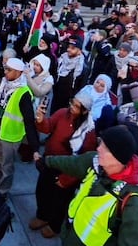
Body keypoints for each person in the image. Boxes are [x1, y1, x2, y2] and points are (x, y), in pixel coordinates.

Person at [32, 90, 97, 238]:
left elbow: (83, 161)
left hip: (67, 170)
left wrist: (67, 179)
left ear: (84, 111)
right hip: (49, 161)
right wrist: (41, 120)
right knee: (42, 190)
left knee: (60, 200)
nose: (71, 107)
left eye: (76, 106)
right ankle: (42, 216)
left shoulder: (88, 132)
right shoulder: (62, 113)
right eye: (72, 103)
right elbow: (48, 127)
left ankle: (54, 226)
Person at [0, 58, 38, 195]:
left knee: (7, 166)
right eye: (5, 68)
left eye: (9, 70)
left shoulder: (24, 93)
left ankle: (3, 191)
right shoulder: (5, 83)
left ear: (19, 72)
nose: (5, 72)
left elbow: (29, 121)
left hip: (10, 136)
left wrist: (34, 147)